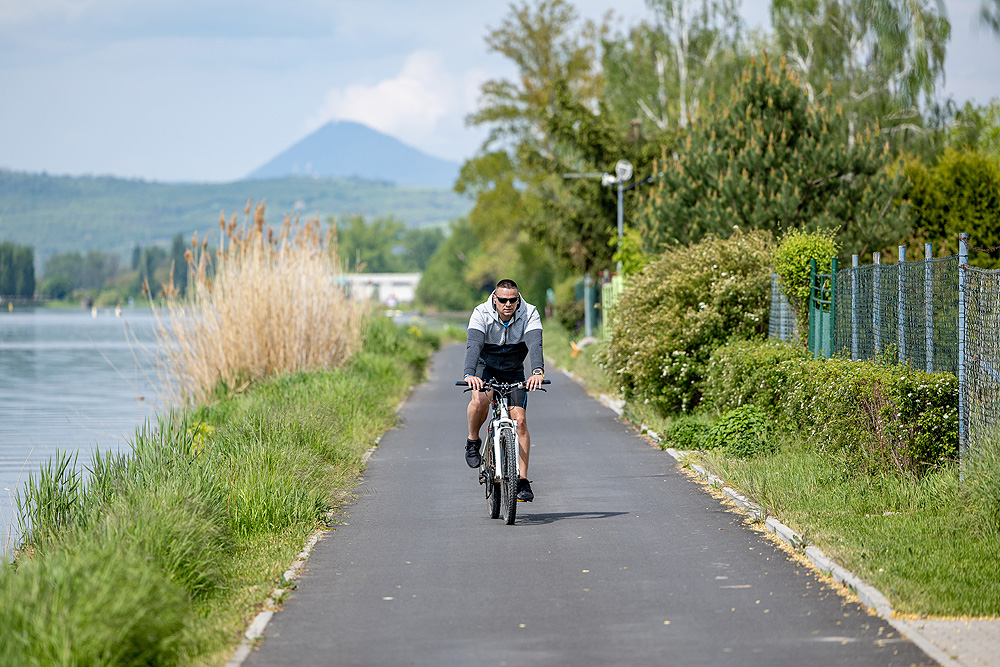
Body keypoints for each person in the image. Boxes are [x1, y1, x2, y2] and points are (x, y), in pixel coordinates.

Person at [463, 279, 544, 502]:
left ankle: (522, 481)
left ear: (518, 299)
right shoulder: (481, 312)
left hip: (513, 367)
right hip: (485, 365)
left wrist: (537, 371)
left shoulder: (529, 312)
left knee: (520, 421)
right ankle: (472, 440)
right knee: (480, 401)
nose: (508, 304)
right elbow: (474, 344)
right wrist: (470, 374)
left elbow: (535, 343)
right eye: (503, 300)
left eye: (512, 300)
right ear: (494, 299)